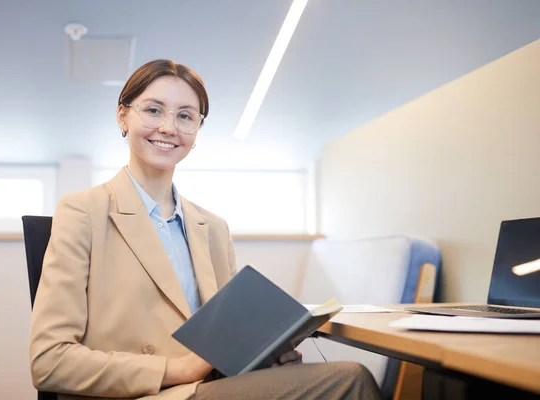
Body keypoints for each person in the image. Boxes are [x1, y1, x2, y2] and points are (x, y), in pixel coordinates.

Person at [29, 59, 383, 400]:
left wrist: (262, 357)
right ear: (123, 116)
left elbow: (227, 342)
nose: (169, 127)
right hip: (143, 395)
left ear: (197, 131)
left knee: (325, 380)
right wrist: (178, 369)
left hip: (209, 389)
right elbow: (49, 361)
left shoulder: (213, 228)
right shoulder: (82, 212)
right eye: (153, 110)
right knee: (349, 380)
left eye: (185, 116)